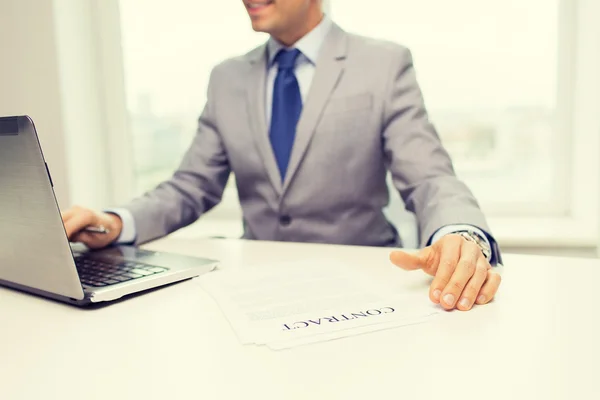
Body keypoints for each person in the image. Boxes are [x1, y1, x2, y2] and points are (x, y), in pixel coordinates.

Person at [62, 0, 502, 311]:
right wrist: (116, 222)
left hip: (364, 289)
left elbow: (429, 177)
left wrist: (460, 233)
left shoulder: (383, 64)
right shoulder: (227, 78)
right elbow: (192, 185)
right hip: (258, 295)